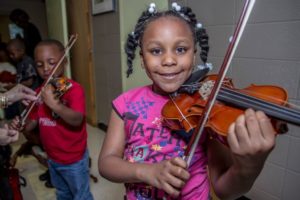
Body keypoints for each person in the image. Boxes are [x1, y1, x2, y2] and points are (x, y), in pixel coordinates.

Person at [98, 3, 277, 200]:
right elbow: (106, 163)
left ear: (194, 55)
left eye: (181, 49)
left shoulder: (206, 109)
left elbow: (224, 190)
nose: (169, 60)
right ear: (142, 59)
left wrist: (249, 167)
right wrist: (145, 172)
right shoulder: (125, 104)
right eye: (156, 51)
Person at [11, 39, 93, 199]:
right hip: (53, 157)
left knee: (81, 195)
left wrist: (55, 105)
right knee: (62, 193)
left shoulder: (74, 89)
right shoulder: (40, 91)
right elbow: (32, 123)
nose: (46, 68)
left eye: (51, 62)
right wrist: (22, 124)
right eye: (40, 64)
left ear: (65, 62)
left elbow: (77, 120)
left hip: (74, 158)